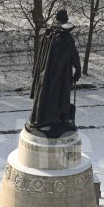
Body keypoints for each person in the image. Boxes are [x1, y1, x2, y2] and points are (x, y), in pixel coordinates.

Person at [28, 9, 81, 137]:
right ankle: (58, 118)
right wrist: (78, 71)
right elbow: (74, 56)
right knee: (60, 98)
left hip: (45, 75)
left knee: (45, 96)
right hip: (60, 76)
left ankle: (42, 118)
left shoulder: (47, 35)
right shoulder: (66, 38)